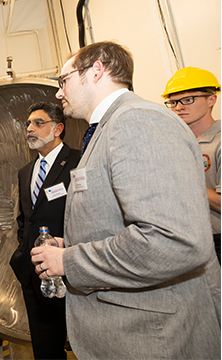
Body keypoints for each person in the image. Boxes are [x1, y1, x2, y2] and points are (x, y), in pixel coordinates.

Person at [30, 41, 221, 359]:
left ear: (96, 70)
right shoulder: (107, 128)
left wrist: (70, 261)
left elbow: (174, 241)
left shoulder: (137, 123)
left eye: (63, 81)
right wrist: (74, 243)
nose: (59, 93)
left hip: (155, 338)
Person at [9, 102, 80, 359]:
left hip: (72, 271)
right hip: (35, 274)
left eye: (39, 123)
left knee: (88, 343)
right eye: (28, 123)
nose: (30, 128)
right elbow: (25, 218)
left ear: (58, 128)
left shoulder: (78, 162)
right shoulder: (26, 171)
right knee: (46, 348)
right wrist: (24, 251)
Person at [162, 67, 221, 262]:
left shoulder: (219, 141)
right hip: (186, 240)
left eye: (188, 100)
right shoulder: (173, 141)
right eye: (173, 102)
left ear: (211, 100)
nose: (179, 107)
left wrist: (182, 179)